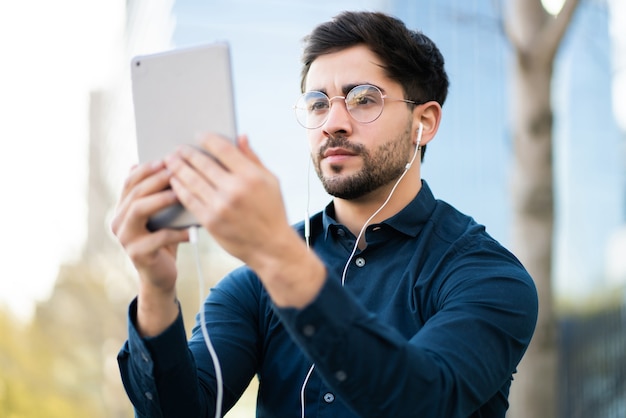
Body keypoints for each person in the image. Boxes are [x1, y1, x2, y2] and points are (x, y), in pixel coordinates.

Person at [112, 10, 538, 418]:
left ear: (422, 122)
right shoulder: (255, 283)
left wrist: (279, 255)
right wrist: (155, 287)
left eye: (363, 99)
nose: (334, 122)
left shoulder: (487, 276)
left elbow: (421, 401)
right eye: (318, 104)